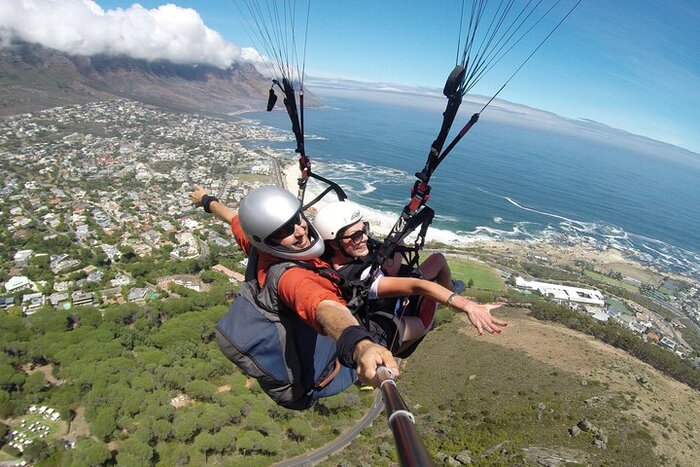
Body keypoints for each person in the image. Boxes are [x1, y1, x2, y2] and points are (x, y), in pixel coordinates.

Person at [189, 185, 400, 387]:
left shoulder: (259, 247)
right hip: (323, 372)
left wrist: (207, 201)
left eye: (298, 219)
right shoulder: (293, 278)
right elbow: (323, 307)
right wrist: (361, 346)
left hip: (302, 347)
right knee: (404, 321)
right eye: (285, 231)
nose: (300, 231)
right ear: (268, 239)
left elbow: (232, 218)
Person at [313, 200, 508, 353]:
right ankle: (401, 347)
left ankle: (449, 288)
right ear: (333, 242)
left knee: (438, 259)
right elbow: (417, 285)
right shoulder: (358, 277)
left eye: (365, 229)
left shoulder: (350, 252)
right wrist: (468, 306)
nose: (364, 237)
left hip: (388, 294)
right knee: (422, 324)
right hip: (384, 317)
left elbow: (389, 258)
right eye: (356, 235)